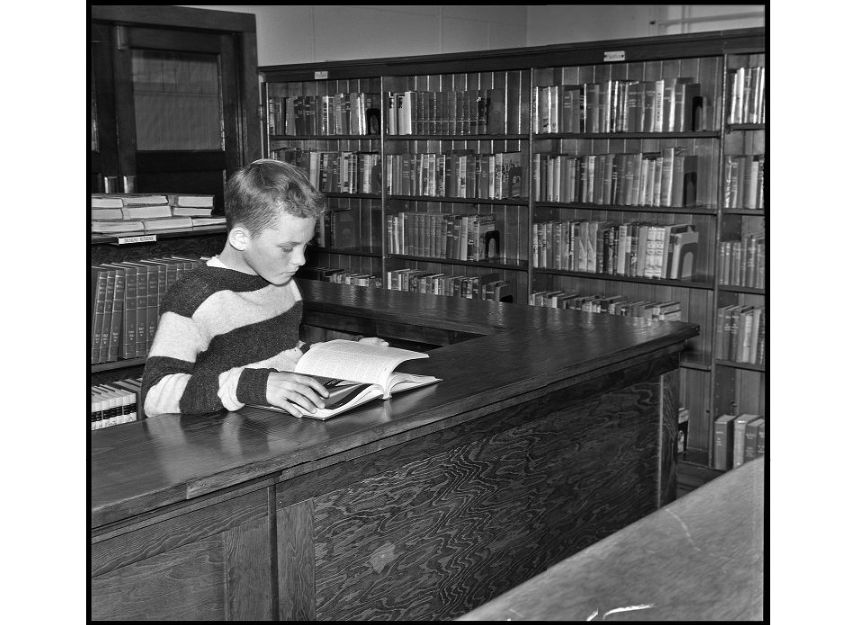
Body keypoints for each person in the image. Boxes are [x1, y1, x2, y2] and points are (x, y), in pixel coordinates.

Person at [141, 159, 387, 419]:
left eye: (306, 246)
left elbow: (282, 355)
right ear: (240, 238)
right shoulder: (194, 297)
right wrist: (250, 386)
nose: (300, 260)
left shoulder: (282, 281)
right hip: (210, 442)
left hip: (269, 428)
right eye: (287, 248)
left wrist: (346, 352)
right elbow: (155, 395)